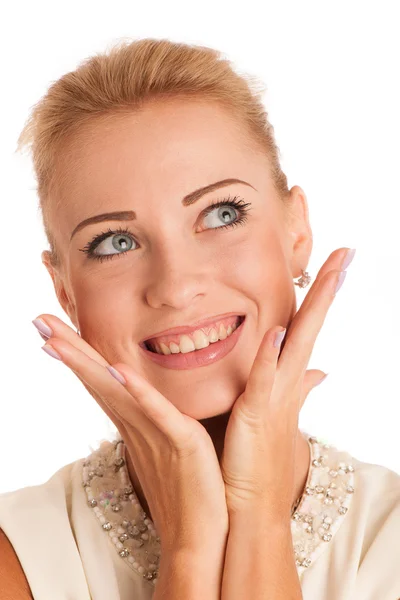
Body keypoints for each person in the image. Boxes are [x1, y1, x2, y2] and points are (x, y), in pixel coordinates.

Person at [0, 37, 399, 600]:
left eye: (221, 213)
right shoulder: (17, 554)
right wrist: (188, 551)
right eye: (115, 242)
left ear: (296, 233)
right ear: (63, 289)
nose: (178, 286)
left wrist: (258, 521)